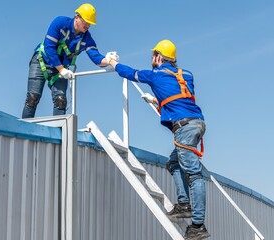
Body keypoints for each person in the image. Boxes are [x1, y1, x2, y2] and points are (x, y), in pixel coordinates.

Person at [106, 40, 210, 240]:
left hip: (184, 128)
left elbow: (130, 73)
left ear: (159, 57)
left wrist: (112, 63)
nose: (152, 59)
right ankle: (184, 204)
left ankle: (198, 225)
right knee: (173, 162)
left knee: (194, 175)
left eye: (153, 56)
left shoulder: (155, 74)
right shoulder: (187, 75)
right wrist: (156, 100)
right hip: (196, 122)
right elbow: (180, 97)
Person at [22, 3, 118, 118]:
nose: (88, 25)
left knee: (60, 101)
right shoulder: (60, 23)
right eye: (86, 21)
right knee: (33, 98)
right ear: (77, 17)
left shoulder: (86, 38)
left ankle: (58, 135)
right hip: (42, 62)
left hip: (61, 69)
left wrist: (108, 60)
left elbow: (96, 58)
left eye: (90, 23)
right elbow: (49, 47)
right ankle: (23, 130)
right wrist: (61, 69)